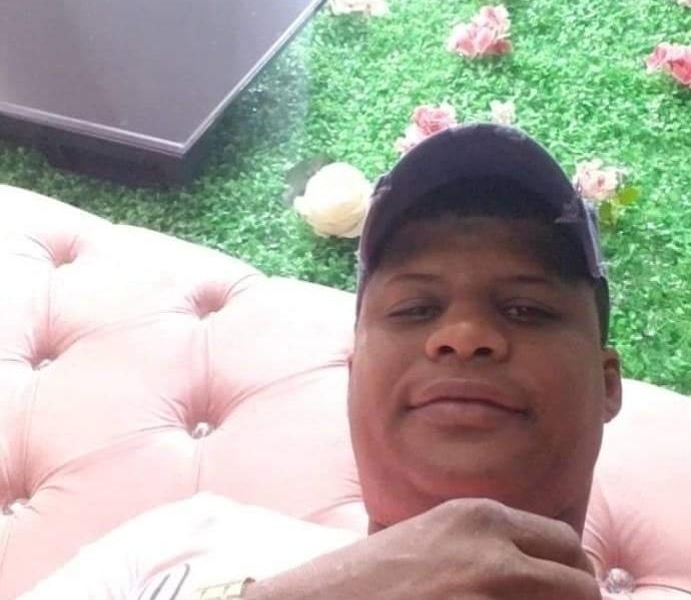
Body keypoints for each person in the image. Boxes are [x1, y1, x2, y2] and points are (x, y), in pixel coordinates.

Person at [20, 123, 622, 600]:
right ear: (353, 376)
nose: (463, 336)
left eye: (525, 309)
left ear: (607, 385)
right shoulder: (179, 543)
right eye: (415, 309)